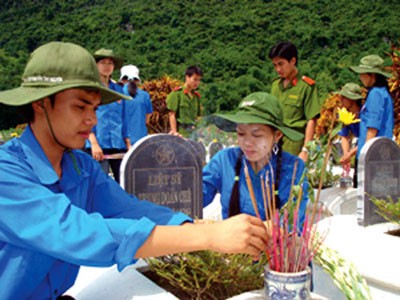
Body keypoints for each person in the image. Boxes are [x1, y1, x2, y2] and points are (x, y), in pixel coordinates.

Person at [0, 42, 268, 299]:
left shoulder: (81, 168)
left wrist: (210, 227)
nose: (92, 119)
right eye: (80, 106)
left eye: (94, 108)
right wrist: (209, 236)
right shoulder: (7, 172)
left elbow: (131, 209)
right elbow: (76, 232)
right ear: (41, 103)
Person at [203, 92, 309, 224]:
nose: (247, 142)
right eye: (241, 133)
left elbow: (293, 223)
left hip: (274, 243)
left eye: (257, 135)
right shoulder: (225, 160)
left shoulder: (294, 168)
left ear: (277, 135)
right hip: (230, 243)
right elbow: (195, 197)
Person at [268, 42, 322, 161]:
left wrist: (305, 150)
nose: (278, 69)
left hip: (294, 144)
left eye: (281, 64)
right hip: (274, 143)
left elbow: (311, 120)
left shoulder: (306, 87)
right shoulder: (275, 85)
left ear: (292, 61)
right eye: (275, 65)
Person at [347, 54, 394, 184]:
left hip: (373, 156)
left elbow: (372, 128)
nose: (360, 77)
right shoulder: (382, 92)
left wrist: (365, 156)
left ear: (372, 75)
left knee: (366, 197)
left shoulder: (376, 94)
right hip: (380, 154)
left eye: (363, 74)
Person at [86, 48, 128, 183]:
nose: (106, 66)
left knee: (124, 182)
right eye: (103, 62)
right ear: (96, 65)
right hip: (98, 145)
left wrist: (129, 145)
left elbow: (124, 119)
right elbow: (86, 117)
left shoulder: (119, 90)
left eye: (110, 63)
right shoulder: (90, 89)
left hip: (118, 144)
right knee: (101, 183)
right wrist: (93, 143)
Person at [336, 83, 364, 187]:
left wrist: (350, 154)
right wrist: (346, 154)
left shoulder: (364, 114)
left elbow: (366, 138)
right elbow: (344, 135)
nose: (341, 99)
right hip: (359, 148)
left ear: (352, 99)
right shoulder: (345, 114)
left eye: (344, 97)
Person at [119, 64, 153, 147]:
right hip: (141, 140)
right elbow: (147, 120)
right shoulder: (145, 95)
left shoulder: (117, 94)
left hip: (121, 141)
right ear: (137, 80)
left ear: (122, 79)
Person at [167, 65, 203, 137]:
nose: (197, 83)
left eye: (199, 80)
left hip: (193, 133)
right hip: (181, 132)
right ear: (187, 77)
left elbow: (198, 117)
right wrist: (174, 132)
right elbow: (172, 114)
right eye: (195, 79)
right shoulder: (177, 94)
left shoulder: (196, 96)